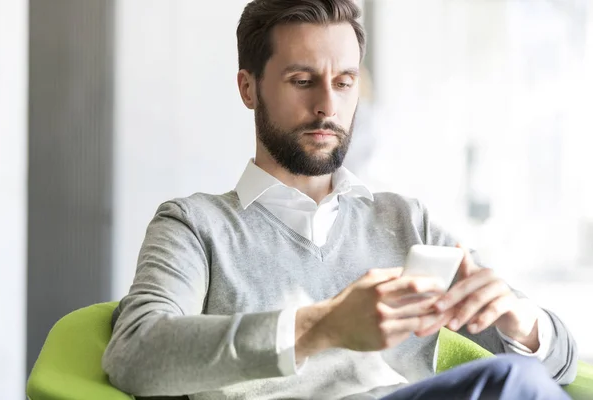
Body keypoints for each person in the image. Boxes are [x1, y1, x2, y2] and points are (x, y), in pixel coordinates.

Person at [102, 1, 578, 399]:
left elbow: (562, 368)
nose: (328, 105)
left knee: (521, 377)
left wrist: (524, 324)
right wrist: (320, 327)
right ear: (249, 88)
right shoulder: (195, 225)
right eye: (302, 80)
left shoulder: (406, 221)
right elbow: (134, 353)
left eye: (344, 82)